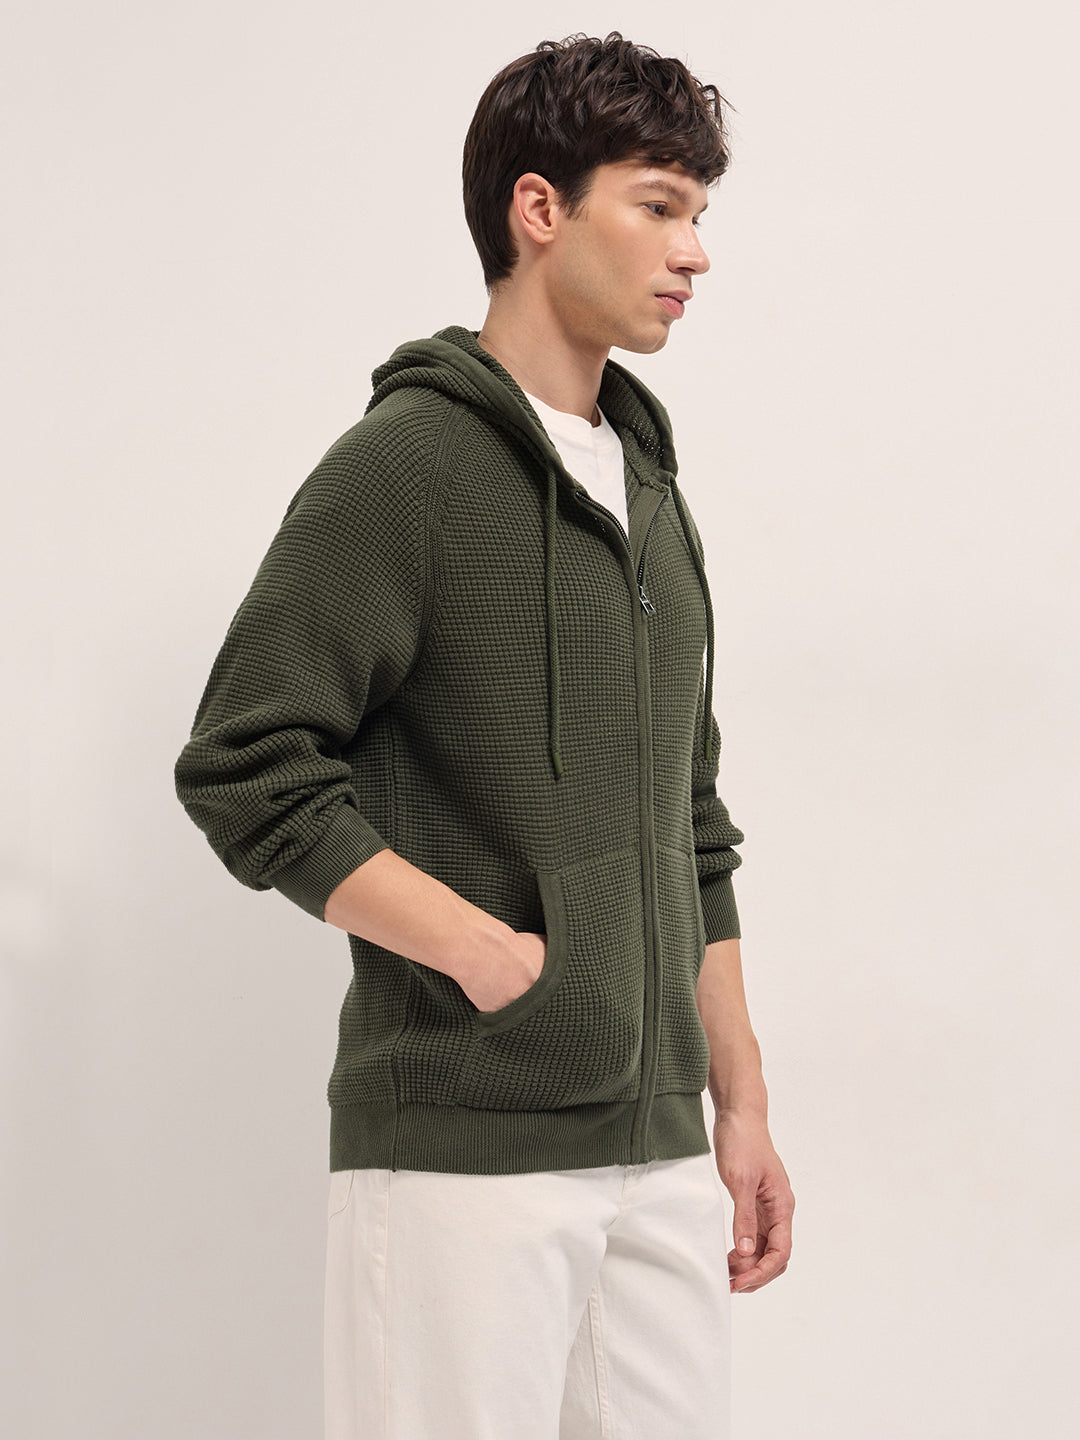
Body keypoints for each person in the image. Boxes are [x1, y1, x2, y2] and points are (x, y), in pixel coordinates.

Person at [174, 29, 794, 1440]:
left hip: (659, 1152)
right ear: (538, 208)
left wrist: (742, 1103)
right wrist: (487, 956)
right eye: (658, 204)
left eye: (700, 212)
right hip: (463, 1151)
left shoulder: (651, 491)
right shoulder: (409, 465)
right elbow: (245, 764)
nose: (694, 251)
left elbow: (690, 820)